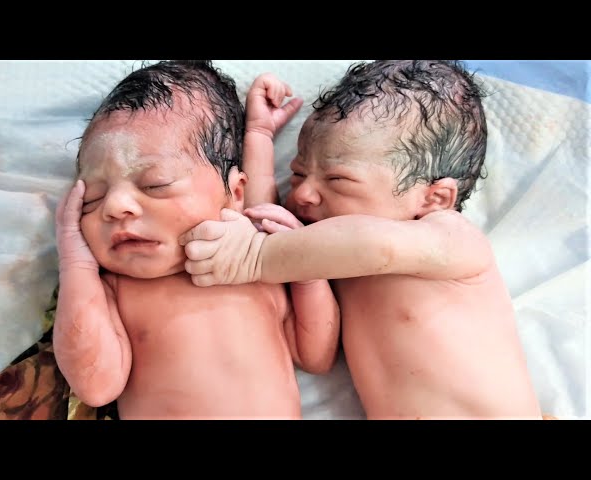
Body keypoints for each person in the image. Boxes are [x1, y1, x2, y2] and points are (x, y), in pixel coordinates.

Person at [180, 60, 545, 420]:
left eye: (338, 180)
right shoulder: (319, 255)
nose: (303, 193)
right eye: (297, 173)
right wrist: (258, 137)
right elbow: (267, 221)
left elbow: (374, 246)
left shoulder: (453, 239)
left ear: (433, 198)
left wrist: (257, 255)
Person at [53, 60, 339, 420]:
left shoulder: (254, 258)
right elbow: (96, 386)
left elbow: (317, 356)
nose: (115, 206)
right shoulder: (115, 290)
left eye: (155, 184)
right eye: (92, 198)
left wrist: (305, 269)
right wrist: (75, 264)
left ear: (233, 193)